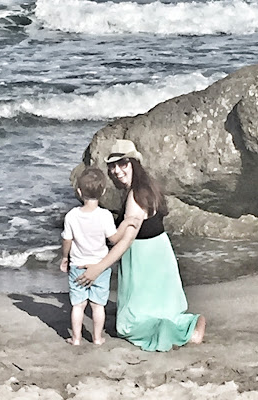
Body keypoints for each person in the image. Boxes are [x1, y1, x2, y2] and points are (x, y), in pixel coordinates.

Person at [75, 139, 206, 352]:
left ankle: (190, 329)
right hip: (159, 254)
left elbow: (125, 241)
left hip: (144, 261)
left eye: (123, 164)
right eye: (113, 166)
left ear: (134, 164)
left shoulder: (135, 197)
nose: (117, 171)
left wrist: (98, 268)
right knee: (156, 313)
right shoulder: (146, 187)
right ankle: (188, 324)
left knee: (128, 326)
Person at [60, 166, 138, 346]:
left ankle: (76, 338)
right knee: (98, 306)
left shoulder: (71, 216)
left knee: (78, 305)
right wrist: (126, 223)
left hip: (78, 266)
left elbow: (67, 240)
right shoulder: (105, 215)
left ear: (79, 192)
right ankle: (97, 338)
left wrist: (65, 258)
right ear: (103, 192)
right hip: (100, 267)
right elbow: (114, 239)